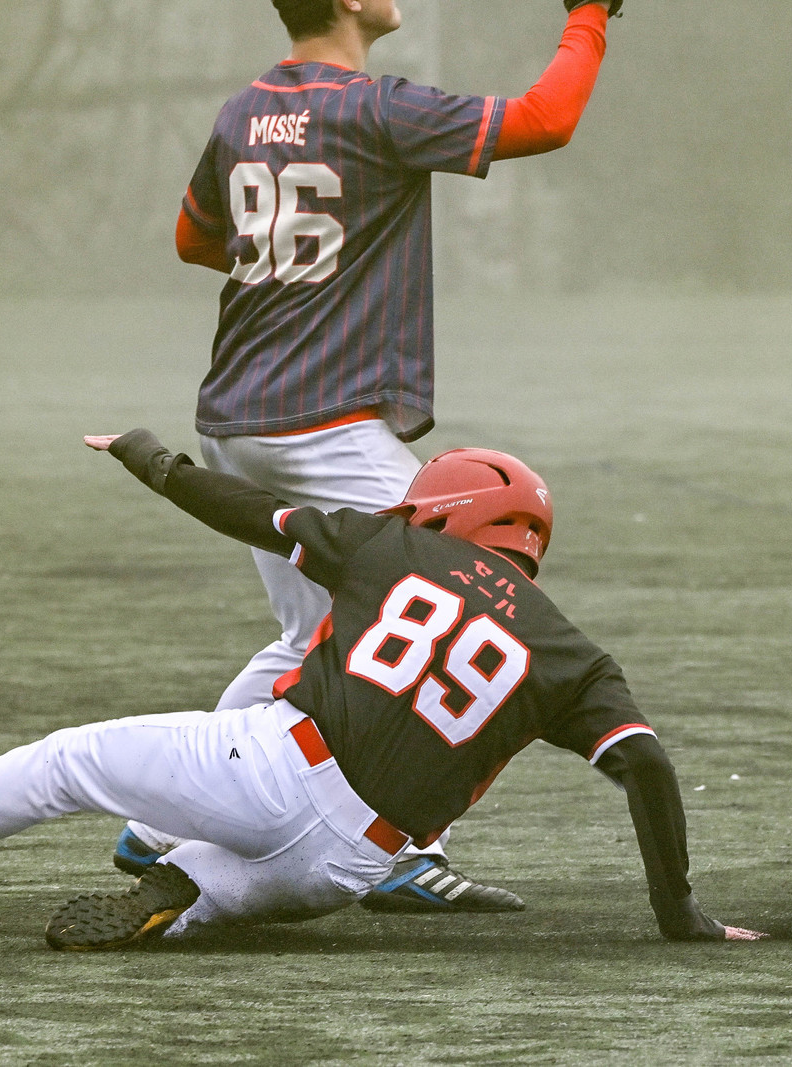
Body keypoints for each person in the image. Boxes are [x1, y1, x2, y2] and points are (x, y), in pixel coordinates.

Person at [0, 430, 764, 950]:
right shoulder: (574, 656)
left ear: (449, 509)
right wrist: (676, 908)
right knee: (227, 887)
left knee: (68, 759)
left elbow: (251, 509)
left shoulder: (396, 546)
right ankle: (188, 885)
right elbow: (644, 761)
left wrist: (154, 461)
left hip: (272, 770)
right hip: (348, 866)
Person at [112, 0, 625, 911]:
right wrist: (589, 13)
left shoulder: (242, 111)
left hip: (232, 412)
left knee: (309, 633)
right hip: (322, 422)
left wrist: (289, 253)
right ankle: (405, 850)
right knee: (452, 590)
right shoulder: (377, 107)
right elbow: (548, 120)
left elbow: (197, 238)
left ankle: (154, 822)